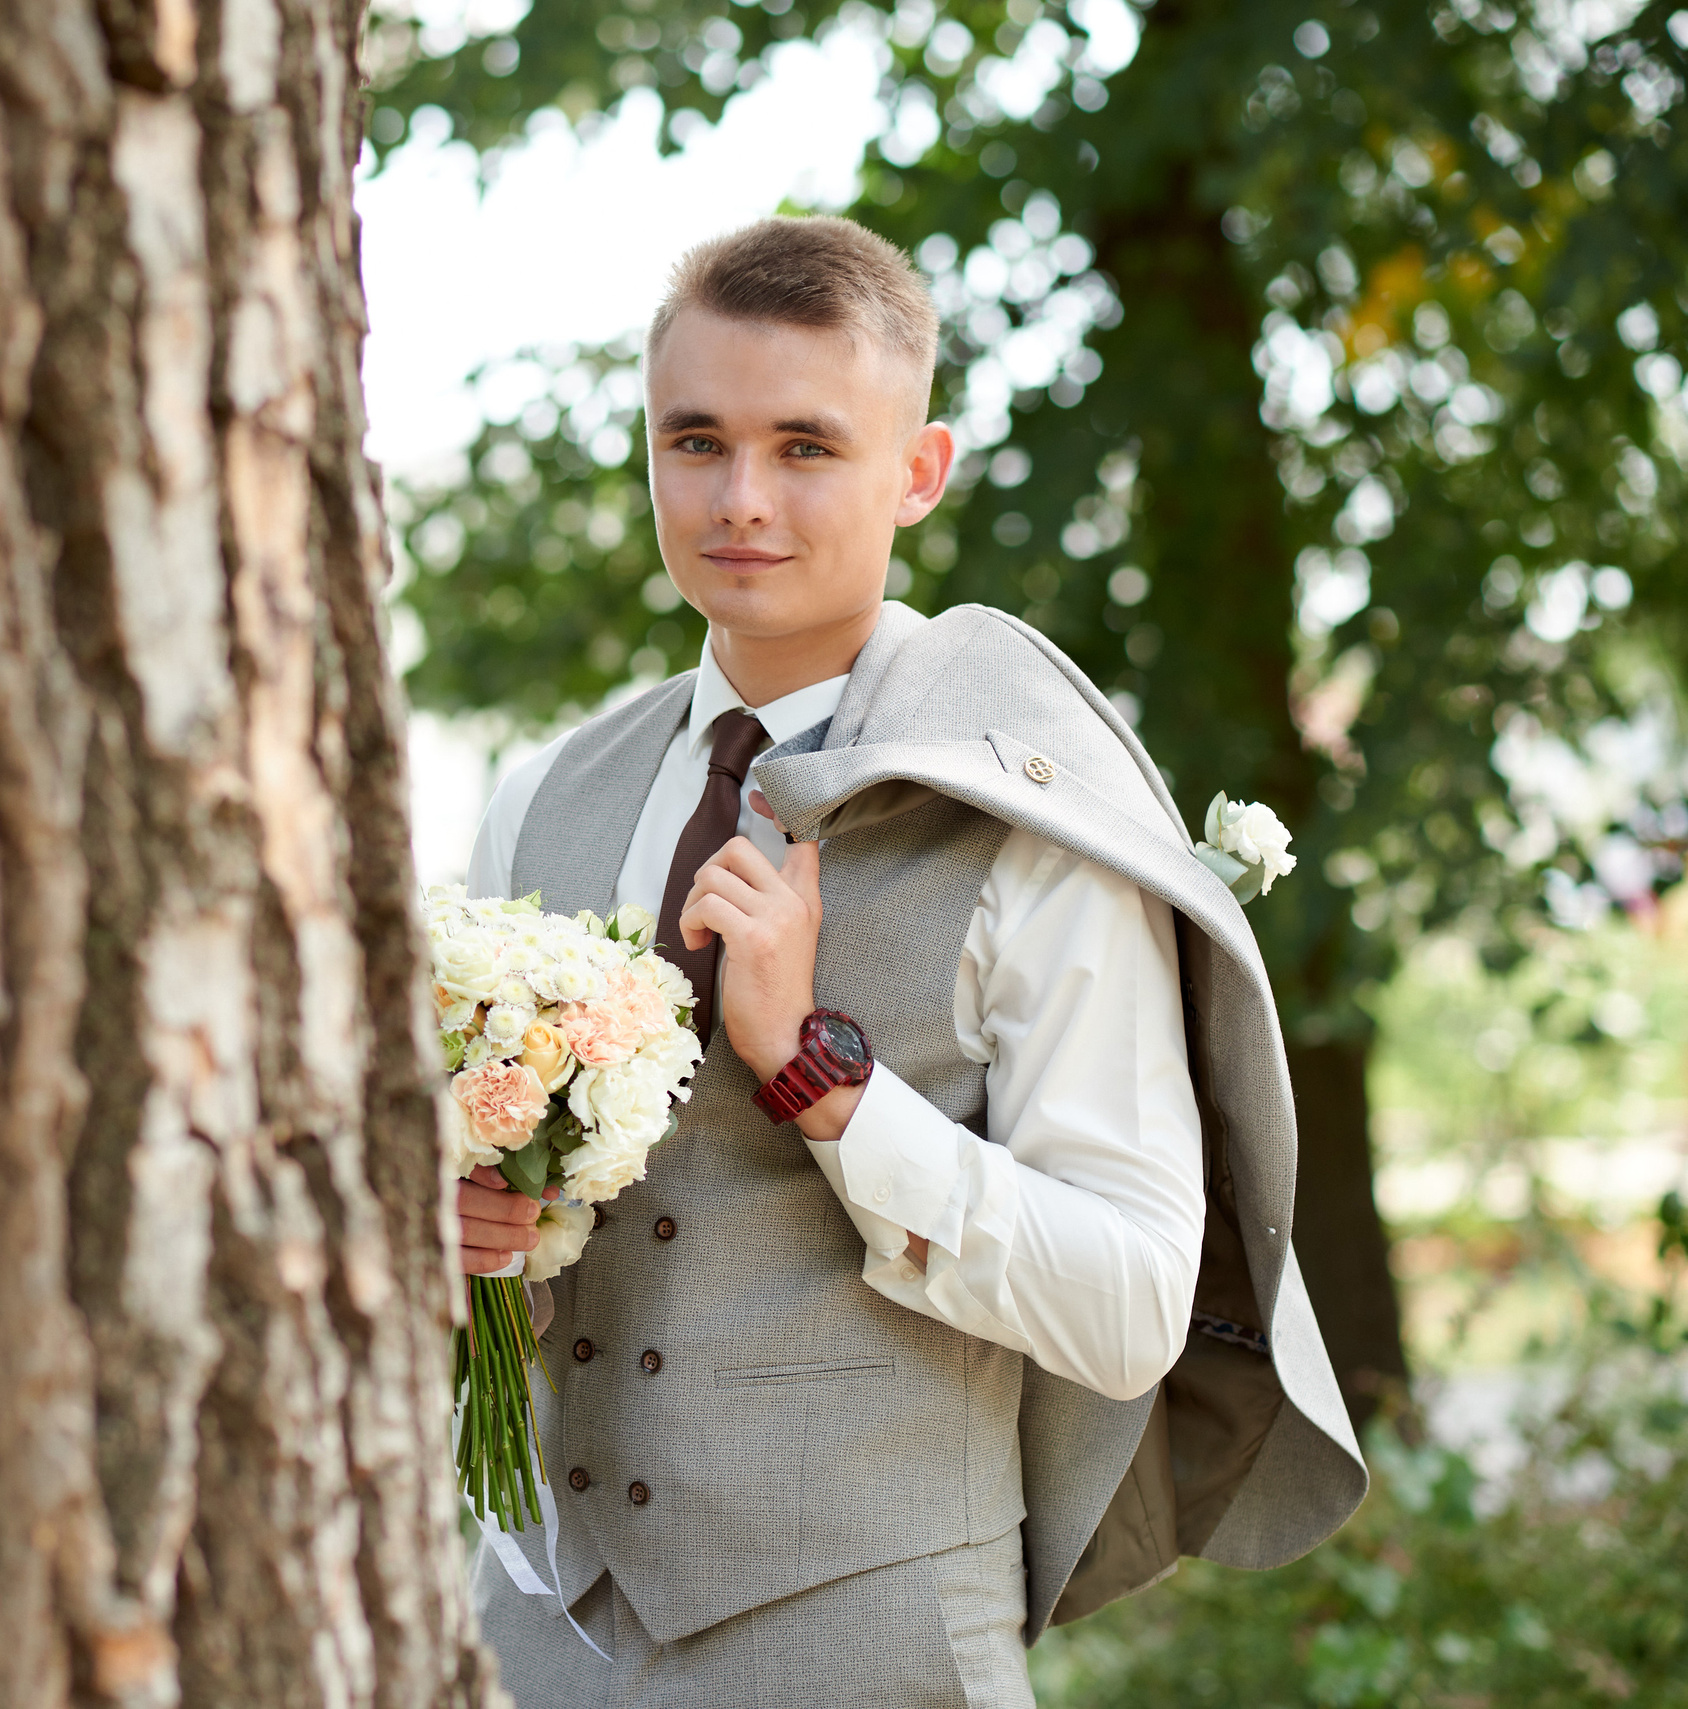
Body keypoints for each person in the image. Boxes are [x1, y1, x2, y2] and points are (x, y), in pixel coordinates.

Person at [455, 216, 1364, 1707]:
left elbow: (1134, 1305)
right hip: (530, 1625)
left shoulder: (1040, 826)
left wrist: (824, 1079)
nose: (741, 499)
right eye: (696, 440)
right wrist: (450, 1233)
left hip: (871, 1641)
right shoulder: (538, 801)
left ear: (919, 471)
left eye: (807, 446)